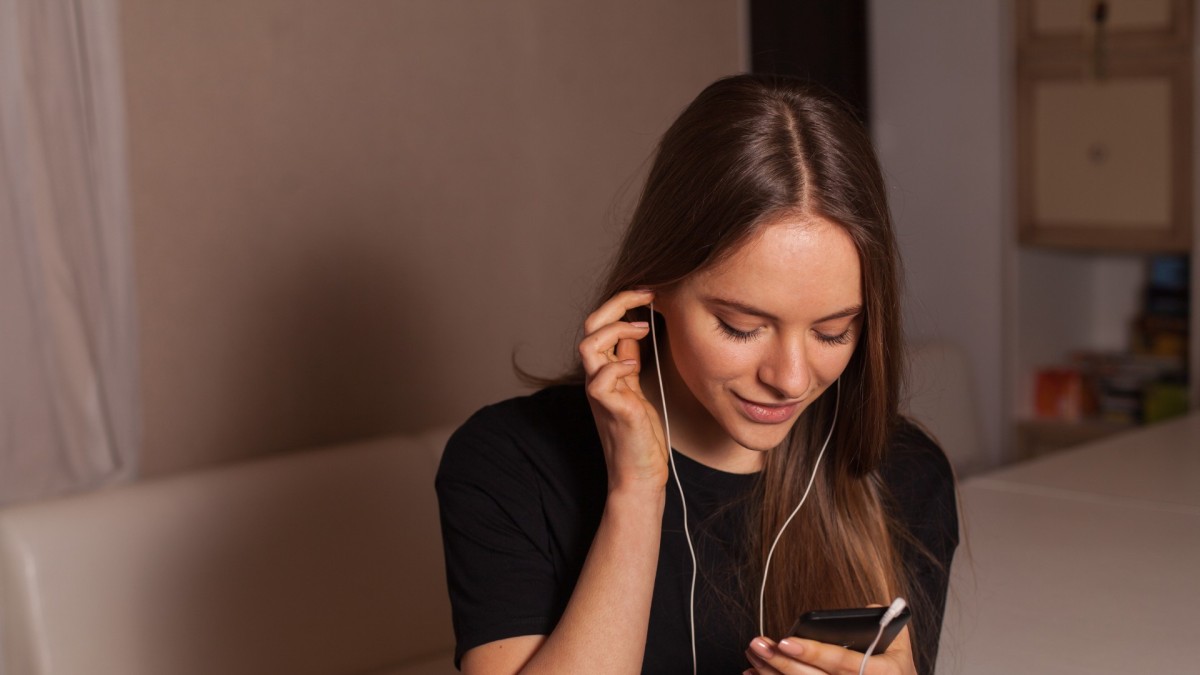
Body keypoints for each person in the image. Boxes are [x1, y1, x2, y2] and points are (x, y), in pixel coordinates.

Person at [435, 74, 958, 675]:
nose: (790, 379)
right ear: (654, 287)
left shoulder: (905, 475)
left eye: (833, 331)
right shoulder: (510, 464)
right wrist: (635, 494)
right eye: (741, 326)